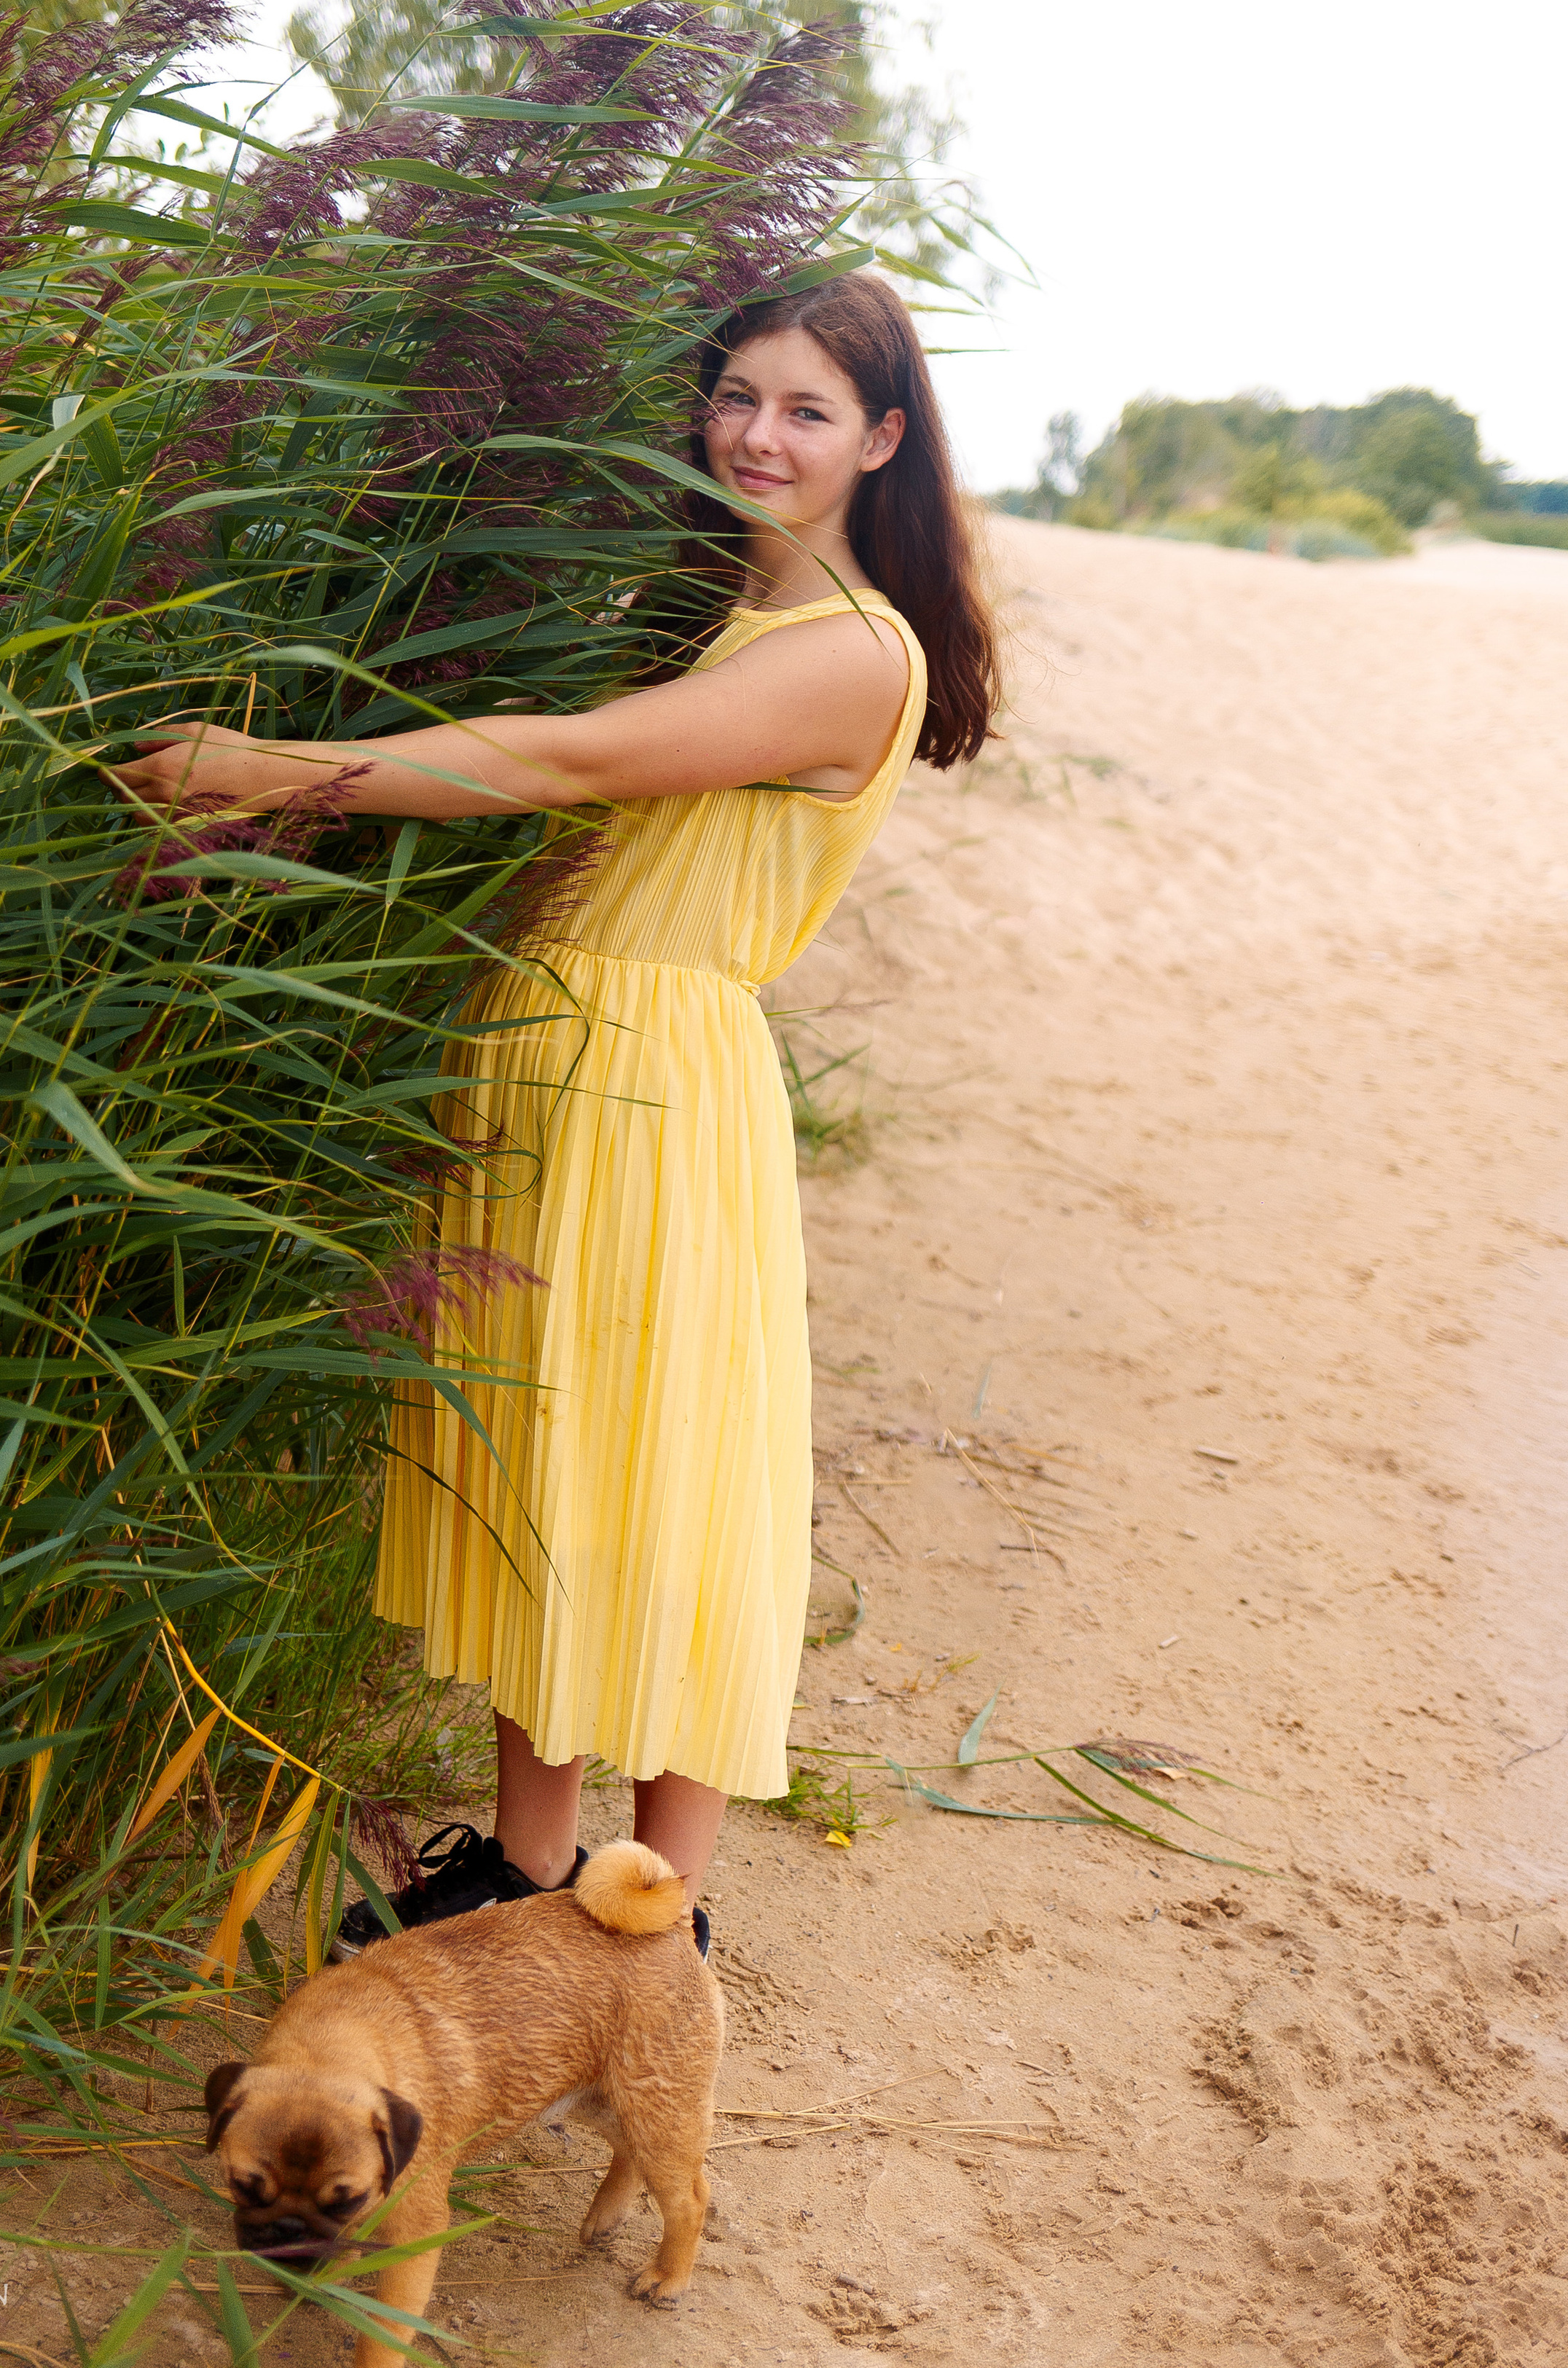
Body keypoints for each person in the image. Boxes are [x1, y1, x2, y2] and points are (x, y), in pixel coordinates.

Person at [115, 273, 999, 1957]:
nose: (756, 434)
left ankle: (651, 1920)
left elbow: (565, 765)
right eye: (735, 395)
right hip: (550, 1061)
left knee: (661, 1478)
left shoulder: (849, 655)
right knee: (557, 1473)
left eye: (806, 410)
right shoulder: (714, 617)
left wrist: (267, 772)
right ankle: (528, 1876)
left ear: (880, 441)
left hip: (653, 1087)